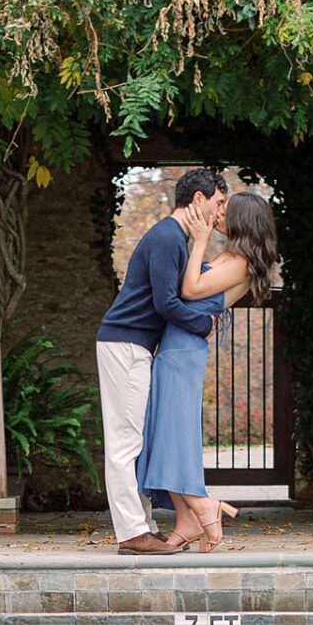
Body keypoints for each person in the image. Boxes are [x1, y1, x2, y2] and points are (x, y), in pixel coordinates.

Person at [135, 191, 283, 553]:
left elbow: (189, 289)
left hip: (183, 352)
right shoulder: (231, 256)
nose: (218, 214)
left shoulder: (241, 262)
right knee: (165, 432)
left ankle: (204, 506)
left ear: (242, 221)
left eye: (225, 211)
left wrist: (199, 240)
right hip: (175, 347)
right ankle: (187, 522)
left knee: (174, 435)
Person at [96, 169, 230, 555]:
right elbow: (166, 303)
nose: (221, 212)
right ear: (199, 200)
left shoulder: (177, 239)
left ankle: (143, 527)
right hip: (124, 344)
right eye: (218, 202)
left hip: (134, 346)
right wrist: (204, 323)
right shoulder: (168, 237)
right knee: (124, 443)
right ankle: (131, 534)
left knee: (132, 441)